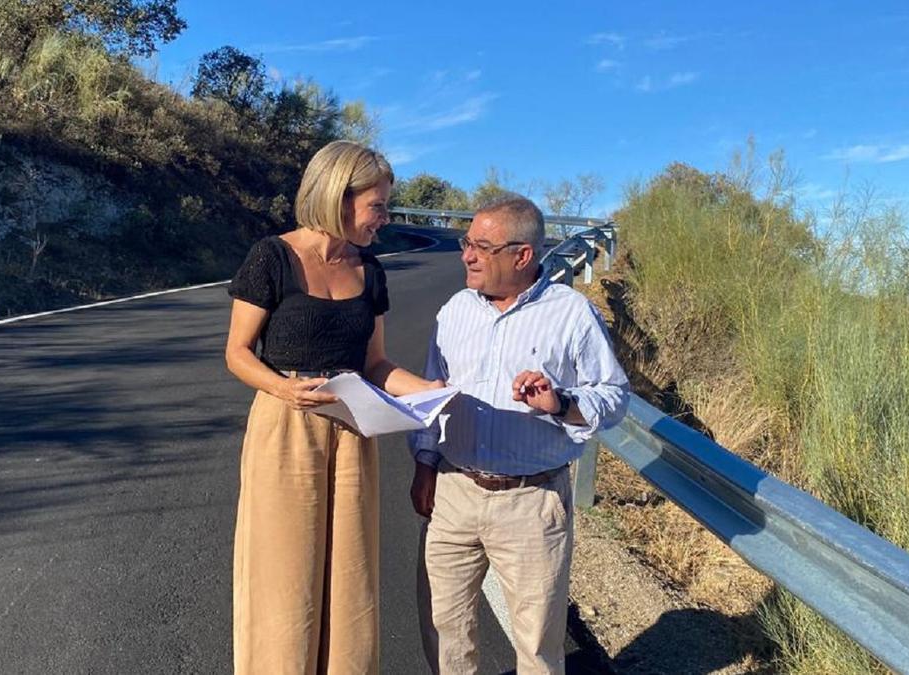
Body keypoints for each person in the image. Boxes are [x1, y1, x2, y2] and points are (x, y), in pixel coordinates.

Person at [225, 140, 440, 675]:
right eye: (378, 206)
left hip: (352, 432)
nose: (384, 219)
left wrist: (433, 390)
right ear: (337, 197)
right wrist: (282, 390)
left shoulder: (370, 271)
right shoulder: (271, 257)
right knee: (284, 574)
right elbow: (236, 353)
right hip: (285, 427)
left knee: (349, 574)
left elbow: (377, 365)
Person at [408, 195, 630, 675]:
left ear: (522, 256)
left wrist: (561, 402)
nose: (466, 254)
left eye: (480, 247)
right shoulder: (455, 310)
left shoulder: (570, 314)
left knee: (537, 643)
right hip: (452, 491)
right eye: (467, 242)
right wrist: (425, 463)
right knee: (443, 627)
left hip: (532, 502)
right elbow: (431, 391)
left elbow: (614, 395)